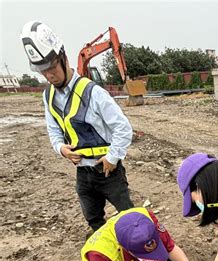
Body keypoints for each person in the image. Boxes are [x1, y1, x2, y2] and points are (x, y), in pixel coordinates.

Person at [21, 21, 134, 231]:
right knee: (94, 220)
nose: (49, 75)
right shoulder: (49, 96)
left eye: (52, 67)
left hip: (108, 171)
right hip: (83, 173)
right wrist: (61, 149)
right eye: (43, 71)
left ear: (63, 57)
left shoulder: (94, 93)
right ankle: (109, 255)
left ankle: (145, 255)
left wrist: (112, 157)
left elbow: (123, 128)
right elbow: (54, 131)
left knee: (130, 218)